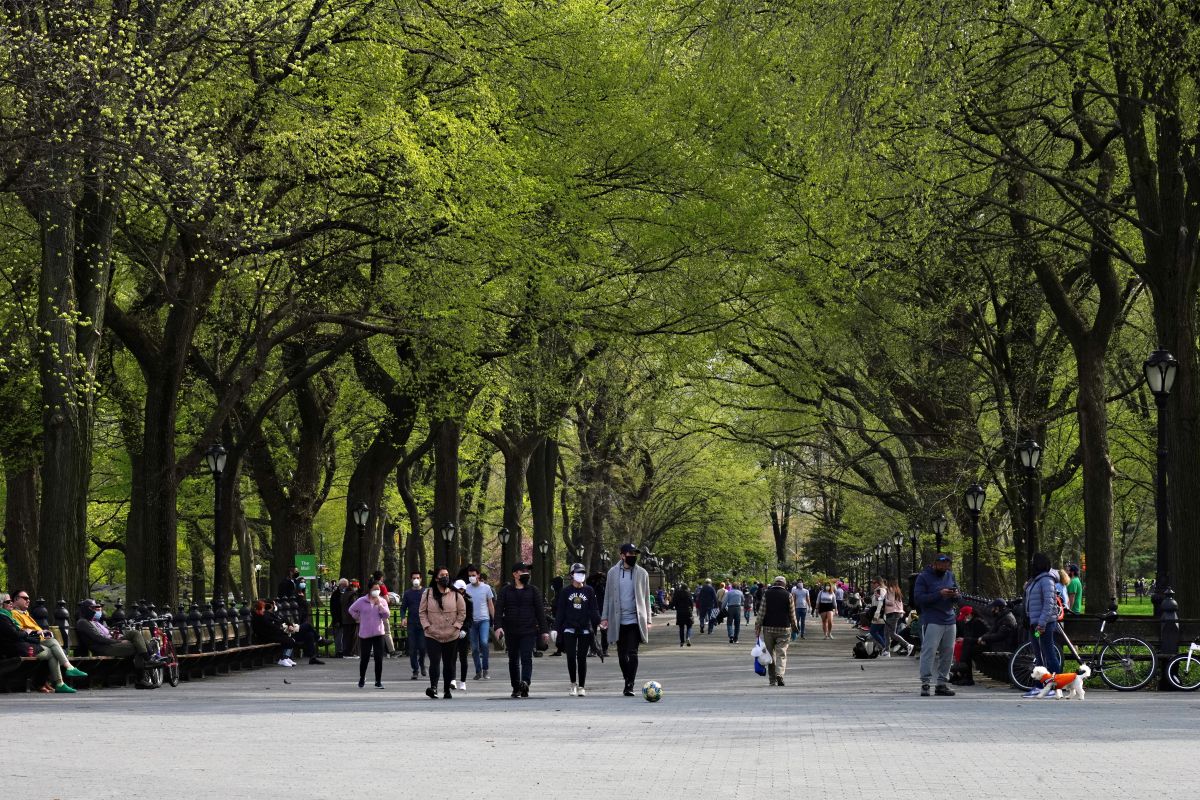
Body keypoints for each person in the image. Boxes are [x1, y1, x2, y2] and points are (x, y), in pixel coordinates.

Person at [2, 592, 86, 693]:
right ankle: (60, 679)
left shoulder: (10, 616)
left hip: (28, 642)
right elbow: (17, 634)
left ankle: (60, 679)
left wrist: (36, 634)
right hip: (20, 647)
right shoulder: (6, 617)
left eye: (10, 601)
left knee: (53, 645)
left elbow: (21, 633)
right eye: (8, 601)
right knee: (52, 650)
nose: (10, 603)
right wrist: (32, 633)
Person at [601, 543, 651, 696]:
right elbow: (608, 597)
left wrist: (648, 618)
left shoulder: (643, 574)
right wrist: (604, 617)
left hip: (635, 619)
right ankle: (627, 677)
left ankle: (630, 684)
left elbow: (646, 597)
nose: (633, 556)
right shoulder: (612, 573)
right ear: (622, 555)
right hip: (618, 619)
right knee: (622, 654)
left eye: (635, 554)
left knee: (633, 652)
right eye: (630, 554)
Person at [495, 562, 550, 698]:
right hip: (511, 631)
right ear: (515, 574)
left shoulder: (533, 590)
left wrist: (544, 631)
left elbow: (540, 612)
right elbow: (498, 610)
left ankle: (525, 683)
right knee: (513, 660)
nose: (526, 573)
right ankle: (516, 687)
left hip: (529, 630)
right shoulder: (505, 591)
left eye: (527, 571)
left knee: (526, 658)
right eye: (522, 571)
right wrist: (498, 627)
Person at [913, 553, 960, 697]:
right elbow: (919, 598)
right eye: (942, 563)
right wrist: (939, 594)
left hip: (950, 619)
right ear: (935, 563)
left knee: (948, 652)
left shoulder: (950, 576)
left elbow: (959, 596)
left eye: (947, 563)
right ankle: (925, 683)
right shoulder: (923, 577)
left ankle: (941, 683)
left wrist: (956, 595)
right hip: (932, 619)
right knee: (929, 651)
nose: (945, 566)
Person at [553, 563, 601, 696]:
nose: (581, 575)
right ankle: (573, 683)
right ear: (572, 575)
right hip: (569, 627)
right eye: (578, 572)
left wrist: (600, 622)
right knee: (571, 657)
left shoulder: (589, 591)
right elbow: (561, 611)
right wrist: (555, 628)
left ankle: (582, 686)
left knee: (581, 657)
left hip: (585, 628)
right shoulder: (565, 591)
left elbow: (594, 609)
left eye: (583, 572)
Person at [419, 567, 466, 699]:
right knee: (434, 661)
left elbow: (462, 613)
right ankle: (433, 687)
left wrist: (456, 627)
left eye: (447, 574)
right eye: (442, 575)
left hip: (451, 634)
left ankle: (447, 689)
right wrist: (427, 627)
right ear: (436, 578)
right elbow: (422, 612)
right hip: (432, 634)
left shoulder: (456, 594)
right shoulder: (428, 593)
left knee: (448, 663)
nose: (445, 577)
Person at [75, 598, 159, 667]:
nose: (94, 611)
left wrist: (116, 637)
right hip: (103, 648)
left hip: (110, 643)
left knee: (135, 633)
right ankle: (141, 677)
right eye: (92, 608)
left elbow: (105, 634)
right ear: (86, 609)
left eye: (95, 608)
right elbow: (99, 638)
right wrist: (119, 641)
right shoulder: (83, 622)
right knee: (137, 646)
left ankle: (150, 657)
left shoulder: (91, 621)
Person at [1023, 552, 1062, 697]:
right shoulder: (1035, 580)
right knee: (1039, 656)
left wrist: (1042, 623)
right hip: (1034, 623)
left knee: (1049, 655)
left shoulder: (1046, 580)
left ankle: (1055, 686)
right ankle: (1040, 686)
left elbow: (1049, 603)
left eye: (1033, 561)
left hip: (1043, 623)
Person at [755, 577, 799, 687]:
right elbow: (792, 614)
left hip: (768, 628)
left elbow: (761, 612)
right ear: (784, 584)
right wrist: (795, 628)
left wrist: (758, 626)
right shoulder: (788, 595)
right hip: (784, 628)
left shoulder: (767, 594)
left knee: (770, 655)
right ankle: (780, 674)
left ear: (775, 583)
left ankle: (772, 680)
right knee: (781, 653)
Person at [348, 579, 390, 688]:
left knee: (378, 658)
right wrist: (357, 618)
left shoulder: (382, 601)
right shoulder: (362, 601)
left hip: (378, 633)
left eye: (378, 589)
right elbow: (351, 609)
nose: (377, 591)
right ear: (370, 589)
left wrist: (379, 605)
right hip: (365, 633)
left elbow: (386, 615)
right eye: (375, 589)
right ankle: (362, 678)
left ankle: (378, 681)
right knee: (365, 658)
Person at [464, 564, 495, 680]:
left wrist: (495, 620)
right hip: (472, 621)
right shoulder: (466, 588)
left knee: (484, 642)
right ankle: (478, 671)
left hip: (484, 620)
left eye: (473, 575)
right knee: (475, 648)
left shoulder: (486, 588)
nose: (471, 577)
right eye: (469, 576)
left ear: (478, 575)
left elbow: (490, 605)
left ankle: (485, 669)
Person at [400, 570, 427, 680]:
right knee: (412, 649)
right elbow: (403, 608)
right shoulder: (407, 593)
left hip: (423, 624)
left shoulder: (426, 592)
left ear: (421, 579)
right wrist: (403, 618)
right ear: (411, 580)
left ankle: (422, 664)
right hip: (411, 623)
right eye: (414, 578)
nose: (416, 580)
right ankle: (415, 670)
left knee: (422, 647)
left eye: (418, 578)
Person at [952, 605, 988, 686]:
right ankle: (960, 674)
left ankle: (967, 678)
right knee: (960, 646)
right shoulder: (969, 623)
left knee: (967, 650)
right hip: (974, 644)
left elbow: (980, 639)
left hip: (984, 645)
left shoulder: (978, 622)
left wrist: (965, 640)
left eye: (965, 616)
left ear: (970, 614)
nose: (964, 619)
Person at [884, 577, 914, 656]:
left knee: (891, 633)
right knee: (887, 632)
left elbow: (891, 602)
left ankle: (908, 645)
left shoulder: (890, 589)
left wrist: (883, 599)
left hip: (893, 613)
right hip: (896, 613)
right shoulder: (897, 590)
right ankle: (886, 651)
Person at [451, 576, 472, 690]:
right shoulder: (450, 600)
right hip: (452, 631)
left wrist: (464, 629)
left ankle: (463, 681)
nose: (460, 592)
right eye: (458, 589)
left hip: (464, 632)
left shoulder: (469, 602)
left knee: (463, 658)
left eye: (462, 589)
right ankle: (452, 679)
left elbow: (469, 618)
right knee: (452, 657)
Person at [329, 578, 349, 657]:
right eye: (344, 586)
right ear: (340, 585)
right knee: (338, 636)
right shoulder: (335, 595)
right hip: (338, 619)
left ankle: (344, 650)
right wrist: (336, 620)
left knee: (343, 636)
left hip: (345, 619)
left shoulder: (346, 593)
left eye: (346, 586)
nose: (345, 587)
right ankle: (339, 651)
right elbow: (333, 609)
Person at [868, 578, 888, 652]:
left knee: (873, 631)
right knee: (881, 633)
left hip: (879, 615)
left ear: (878, 583)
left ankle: (885, 649)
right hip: (882, 614)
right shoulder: (880, 590)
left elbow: (880, 603)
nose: (872, 584)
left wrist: (876, 615)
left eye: (874, 582)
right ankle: (885, 650)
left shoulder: (879, 590)